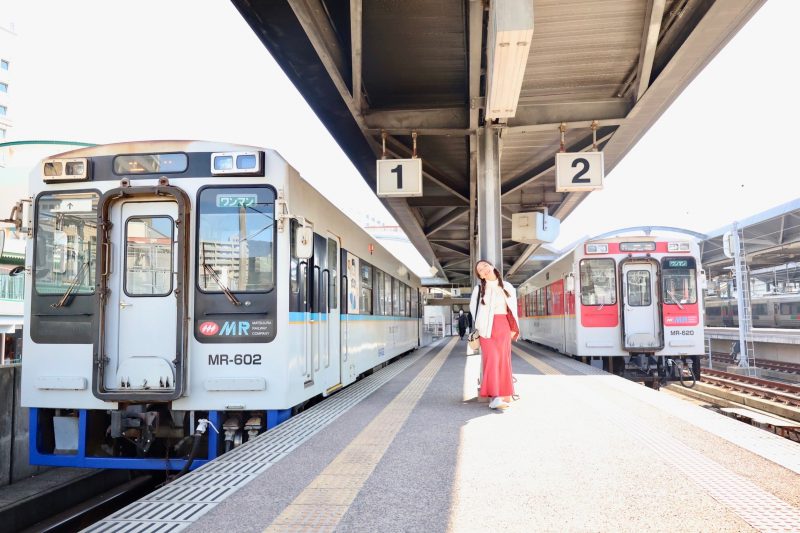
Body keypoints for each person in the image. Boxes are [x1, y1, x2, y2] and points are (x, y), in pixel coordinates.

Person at [469, 259, 520, 410]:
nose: (484, 269)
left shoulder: (508, 286)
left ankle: (504, 394)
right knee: (492, 360)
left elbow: (513, 309)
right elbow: (474, 310)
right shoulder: (479, 290)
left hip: (503, 326)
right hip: (486, 329)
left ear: (492, 266)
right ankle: (495, 397)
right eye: (480, 270)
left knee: (503, 360)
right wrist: (481, 325)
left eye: (485, 266)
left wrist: (512, 328)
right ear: (481, 276)